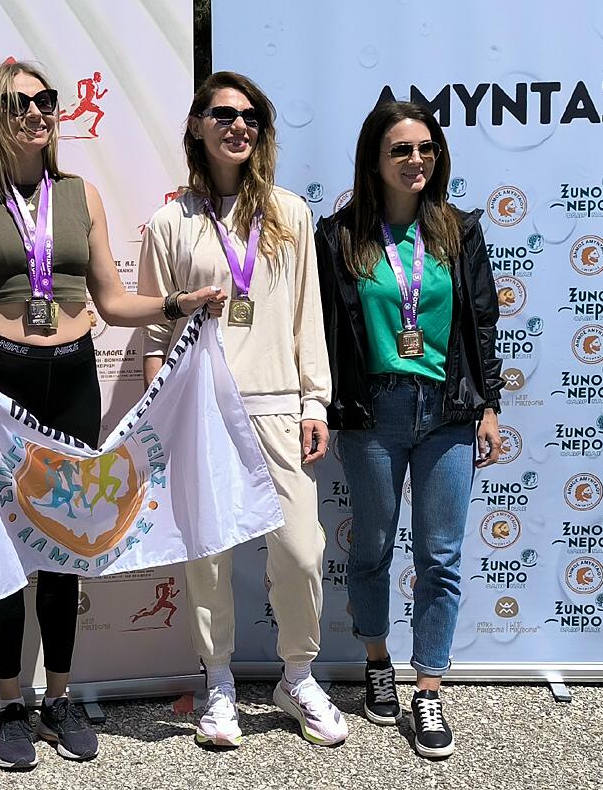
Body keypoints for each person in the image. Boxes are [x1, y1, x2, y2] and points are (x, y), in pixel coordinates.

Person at [0, 59, 223, 772]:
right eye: (21, 104)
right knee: (4, 549)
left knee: (68, 541)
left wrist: (174, 304)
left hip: (72, 379)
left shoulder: (81, 194)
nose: (38, 113)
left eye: (46, 101)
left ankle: (59, 697)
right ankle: (10, 702)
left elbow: (112, 300)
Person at [139, 71, 346, 749]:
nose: (238, 125)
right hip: (201, 413)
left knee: (301, 552)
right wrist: (161, 418)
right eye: (223, 113)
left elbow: (308, 314)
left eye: (251, 115)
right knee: (209, 559)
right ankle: (219, 681)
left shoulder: (290, 213)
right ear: (197, 125)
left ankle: (297, 674)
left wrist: (315, 401)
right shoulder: (170, 222)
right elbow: (154, 334)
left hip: (279, 406)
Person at [315, 99, 503, 759]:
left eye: (426, 147)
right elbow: (325, 329)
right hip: (374, 413)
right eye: (401, 149)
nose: (416, 159)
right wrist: (322, 406)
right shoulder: (339, 237)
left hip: (447, 412)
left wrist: (489, 405)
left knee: (440, 556)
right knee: (371, 547)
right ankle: (376, 661)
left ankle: (429, 688)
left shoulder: (459, 230)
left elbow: (481, 323)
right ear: (374, 159)